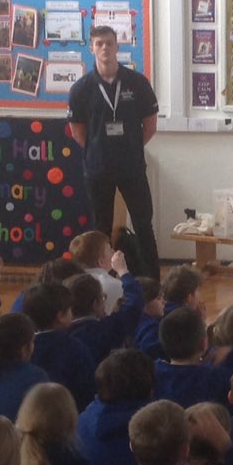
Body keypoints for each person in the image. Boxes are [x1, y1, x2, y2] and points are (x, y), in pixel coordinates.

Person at [67, 25, 161, 280]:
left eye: (109, 43)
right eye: (99, 44)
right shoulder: (81, 89)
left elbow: (150, 124)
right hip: (98, 168)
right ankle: (103, 281)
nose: (105, 48)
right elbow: (78, 132)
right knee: (101, 230)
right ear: (92, 48)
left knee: (143, 225)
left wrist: (130, 146)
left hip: (131, 166)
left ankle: (153, 281)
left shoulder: (137, 83)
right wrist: (100, 148)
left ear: (118, 46)